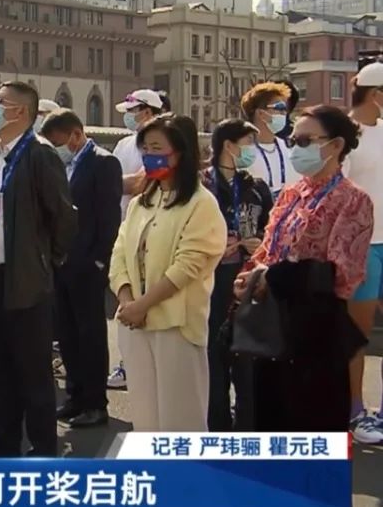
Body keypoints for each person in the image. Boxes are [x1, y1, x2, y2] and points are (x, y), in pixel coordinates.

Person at [234, 105, 373, 432]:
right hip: (271, 327)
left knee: (310, 428)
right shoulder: (292, 194)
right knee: (267, 426)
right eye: (294, 140)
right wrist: (250, 274)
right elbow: (269, 247)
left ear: (336, 145)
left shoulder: (353, 200)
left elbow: (342, 274)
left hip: (317, 333)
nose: (297, 148)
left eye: (306, 140)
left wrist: (275, 276)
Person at [0, 82, 77, 456]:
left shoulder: (38, 154)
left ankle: (43, 449)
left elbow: (63, 217)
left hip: (26, 279)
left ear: (21, 112)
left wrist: (44, 260)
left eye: (0, 102)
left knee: (32, 371)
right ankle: (6, 445)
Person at [109, 116, 226, 432]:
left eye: (157, 148)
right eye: (145, 149)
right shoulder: (141, 202)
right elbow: (120, 253)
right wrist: (128, 301)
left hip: (176, 326)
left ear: (181, 152)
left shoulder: (201, 204)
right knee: (145, 417)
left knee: (180, 419)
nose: (149, 156)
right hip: (135, 324)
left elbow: (188, 265)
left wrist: (143, 305)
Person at [41, 109, 121, 428]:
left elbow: (108, 216)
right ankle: (75, 396)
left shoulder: (103, 162)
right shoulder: (60, 164)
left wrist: (99, 259)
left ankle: (95, 403)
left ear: (76, 134)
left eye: (59, 142)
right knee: (67, 334)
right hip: (61, 263)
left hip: (88, 264)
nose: (57, 149)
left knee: (90, 336)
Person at [200, 119, 274, 432]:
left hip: (247, 282)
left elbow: (273, 230)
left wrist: (259, 240)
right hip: (211, 282)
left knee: (248, 363)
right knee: (213, 360)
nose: (251, 150)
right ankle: (217, 428)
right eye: (247, 144)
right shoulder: (200, 186)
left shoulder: (255, 187)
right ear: (228, 146)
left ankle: (248, 431)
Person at [107, 89, 164, 389]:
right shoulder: (123, 144)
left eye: (133, 110)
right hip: (125, 228)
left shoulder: (161, 143)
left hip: (154, 230)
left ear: (148, 111)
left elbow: (142, 183)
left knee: (152, 299)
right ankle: (127, 364)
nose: (129, 116)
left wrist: (105, 183)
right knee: (126, 297)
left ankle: (150, 365)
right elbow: (121, 183)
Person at [344, 63, 383, 443]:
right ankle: (355, 410)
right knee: (357, 334)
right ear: (376, 94)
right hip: (361, 247)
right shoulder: (346, 134)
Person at [242, 82, 300, 198]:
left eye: (285, 109)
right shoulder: (243, 152)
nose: (284, 114)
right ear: (260, 113)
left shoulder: (289, 149)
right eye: (280, 108)